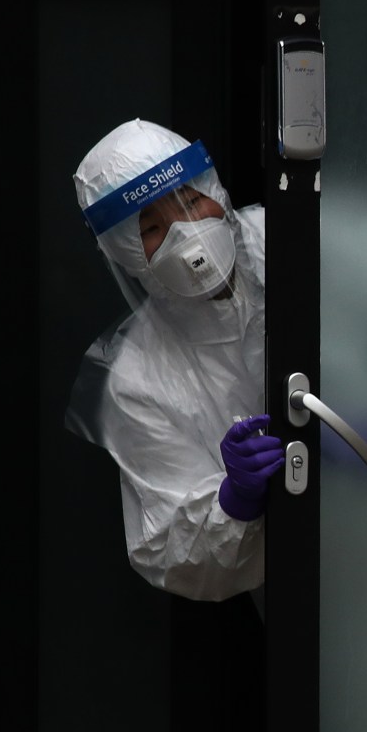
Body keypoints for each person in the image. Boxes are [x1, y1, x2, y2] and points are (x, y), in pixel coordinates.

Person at [68, 119, 284, 601]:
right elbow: (170, 551)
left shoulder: (289, 241)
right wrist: (235, 500)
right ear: (125, 252)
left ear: (214, 189)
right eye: (151, 228)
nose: (186, 235)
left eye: (190, 201)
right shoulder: (139, 378)